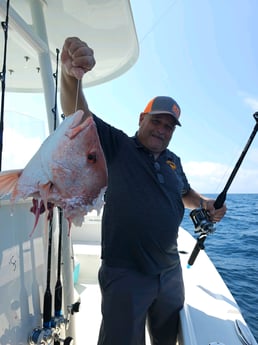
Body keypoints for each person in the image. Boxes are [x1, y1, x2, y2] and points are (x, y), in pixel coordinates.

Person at [60, 37, 227, 345]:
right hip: (126, 274)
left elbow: (185, 194)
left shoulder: (172, 161)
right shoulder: (119, 145)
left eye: (169, 127)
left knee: (166, 339)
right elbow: (79, 117)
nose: (162, 130)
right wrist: (71, 77)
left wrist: (203, 202)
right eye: (156, 122)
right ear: (142, 119)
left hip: (169, 272)